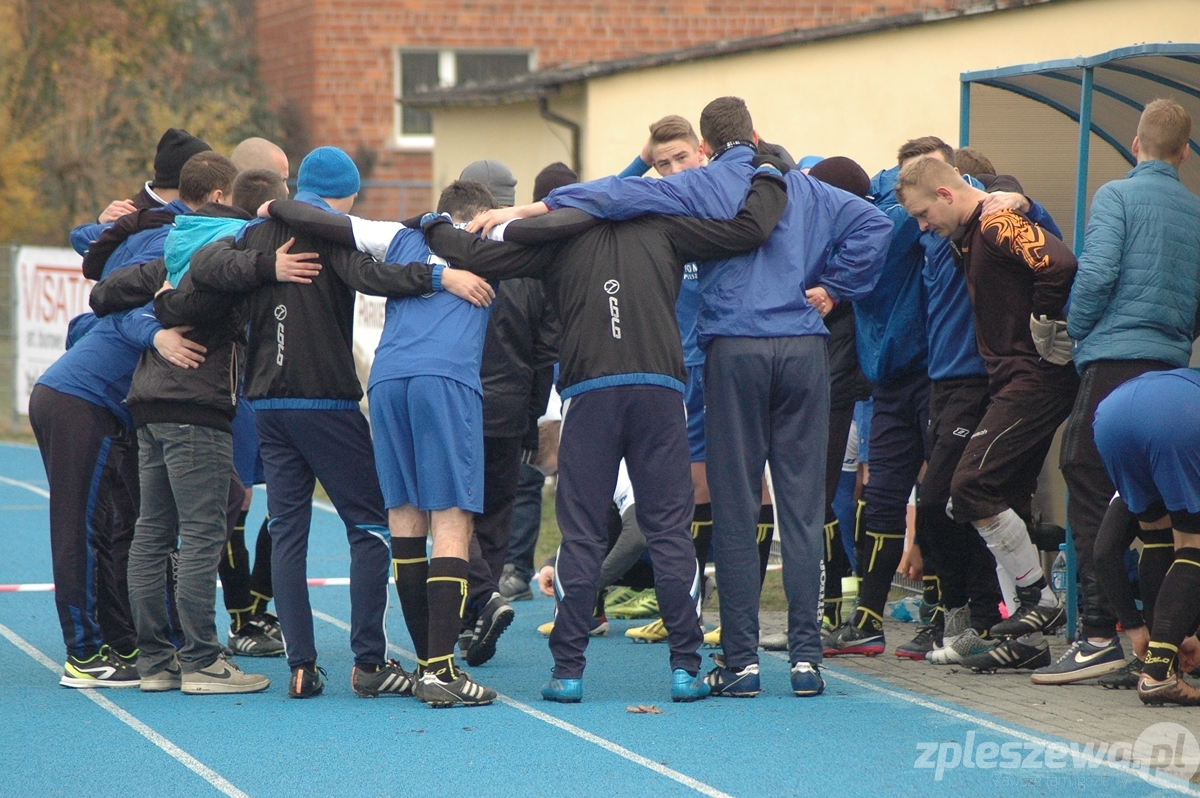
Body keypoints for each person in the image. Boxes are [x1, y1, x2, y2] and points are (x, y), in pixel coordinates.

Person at [467, 96, 894, 697]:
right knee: (801, 508)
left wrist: (536, 205)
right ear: (756, 133)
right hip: (803, 348)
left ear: (707, 147)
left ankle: (741, 664)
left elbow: (614, 196)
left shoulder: (700, 185)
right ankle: (805, 662)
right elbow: (877, 224)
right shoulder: (807, 188)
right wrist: (833, 289)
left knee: (738, 508)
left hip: (734, 350)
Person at [422, 153, 793, 703]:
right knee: (670, 531)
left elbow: (468, 251)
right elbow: (750, 229)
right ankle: (685, 668)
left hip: (591, 395)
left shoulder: (555, 233)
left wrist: (428, 222)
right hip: (659, 394)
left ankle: (568, 673)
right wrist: (769, 174)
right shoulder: (666, 225)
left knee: (582, 534)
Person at [187, 146, 494, 699]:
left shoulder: (255, 230)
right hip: (324, 400)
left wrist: (262, 265)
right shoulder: (331, 235)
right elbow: (374, 277)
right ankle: (369, 661)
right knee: (374, 524)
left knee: (287, 532)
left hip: (266, 405)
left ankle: (301, 667)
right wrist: (438, 278)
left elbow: (204, 266)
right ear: (343, 193)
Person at [260, 178, 504, 706]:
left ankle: (428, 667)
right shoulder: (494, 237)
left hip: (388, 380)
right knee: (453, 519)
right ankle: (440, 672)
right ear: (485, 213)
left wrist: (275, 203)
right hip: (446, 380)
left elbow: (327, 222)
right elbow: (574, 210)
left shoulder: (396, 233)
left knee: (406, 517)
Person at [87, 155, 290, 694]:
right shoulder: (232, 243)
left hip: (149, 403)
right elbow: (214, 279)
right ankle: (202, 660)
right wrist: (175, 308)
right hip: (194, 406)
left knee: (153, 533)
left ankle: (156, 661)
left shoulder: (178, 243)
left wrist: (161, 304)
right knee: (200, 532)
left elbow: (102, 293)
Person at [1036, 98, 1200, 686]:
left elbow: (1098, 272)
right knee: (1151, 513)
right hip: (1169, 368)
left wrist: (1075, 328)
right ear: (1183, 152)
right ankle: (1159, 640)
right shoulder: (1196, 210)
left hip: (1112, 365)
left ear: (1135, 144)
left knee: (1085, 475)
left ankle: (1100, 632)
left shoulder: (1115, 196)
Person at [896, 154, 1078, 673]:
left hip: (1034, 379)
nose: (922, 226)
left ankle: (1038, 601)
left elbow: (1060, 264)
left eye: (923, 214)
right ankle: (1026, 634)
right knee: (995, 499)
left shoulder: (997, 222)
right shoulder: (971, 231)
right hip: (1012, 379)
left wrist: (1046, 319)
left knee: (968, 487)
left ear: (947, 195)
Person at [1093, 369, 1200, 705]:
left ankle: (1160, 657)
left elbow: (1104, 553)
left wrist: (1140, 631)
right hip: (1178, 415)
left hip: (1109, 416)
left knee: (1156, 537)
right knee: (1192, 546)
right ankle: (1156, 675)